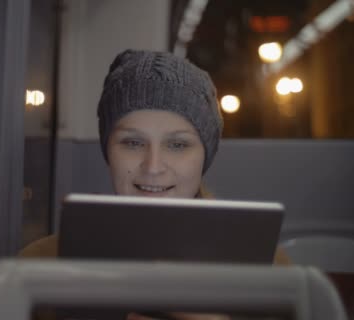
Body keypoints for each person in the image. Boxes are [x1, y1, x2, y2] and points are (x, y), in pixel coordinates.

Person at [20, 49, 289, 320]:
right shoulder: (41, 265)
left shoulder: (269, 269)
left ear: (204, 157)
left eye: (177, 144)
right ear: (108, 151)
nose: (153, 166)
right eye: (133, 143)